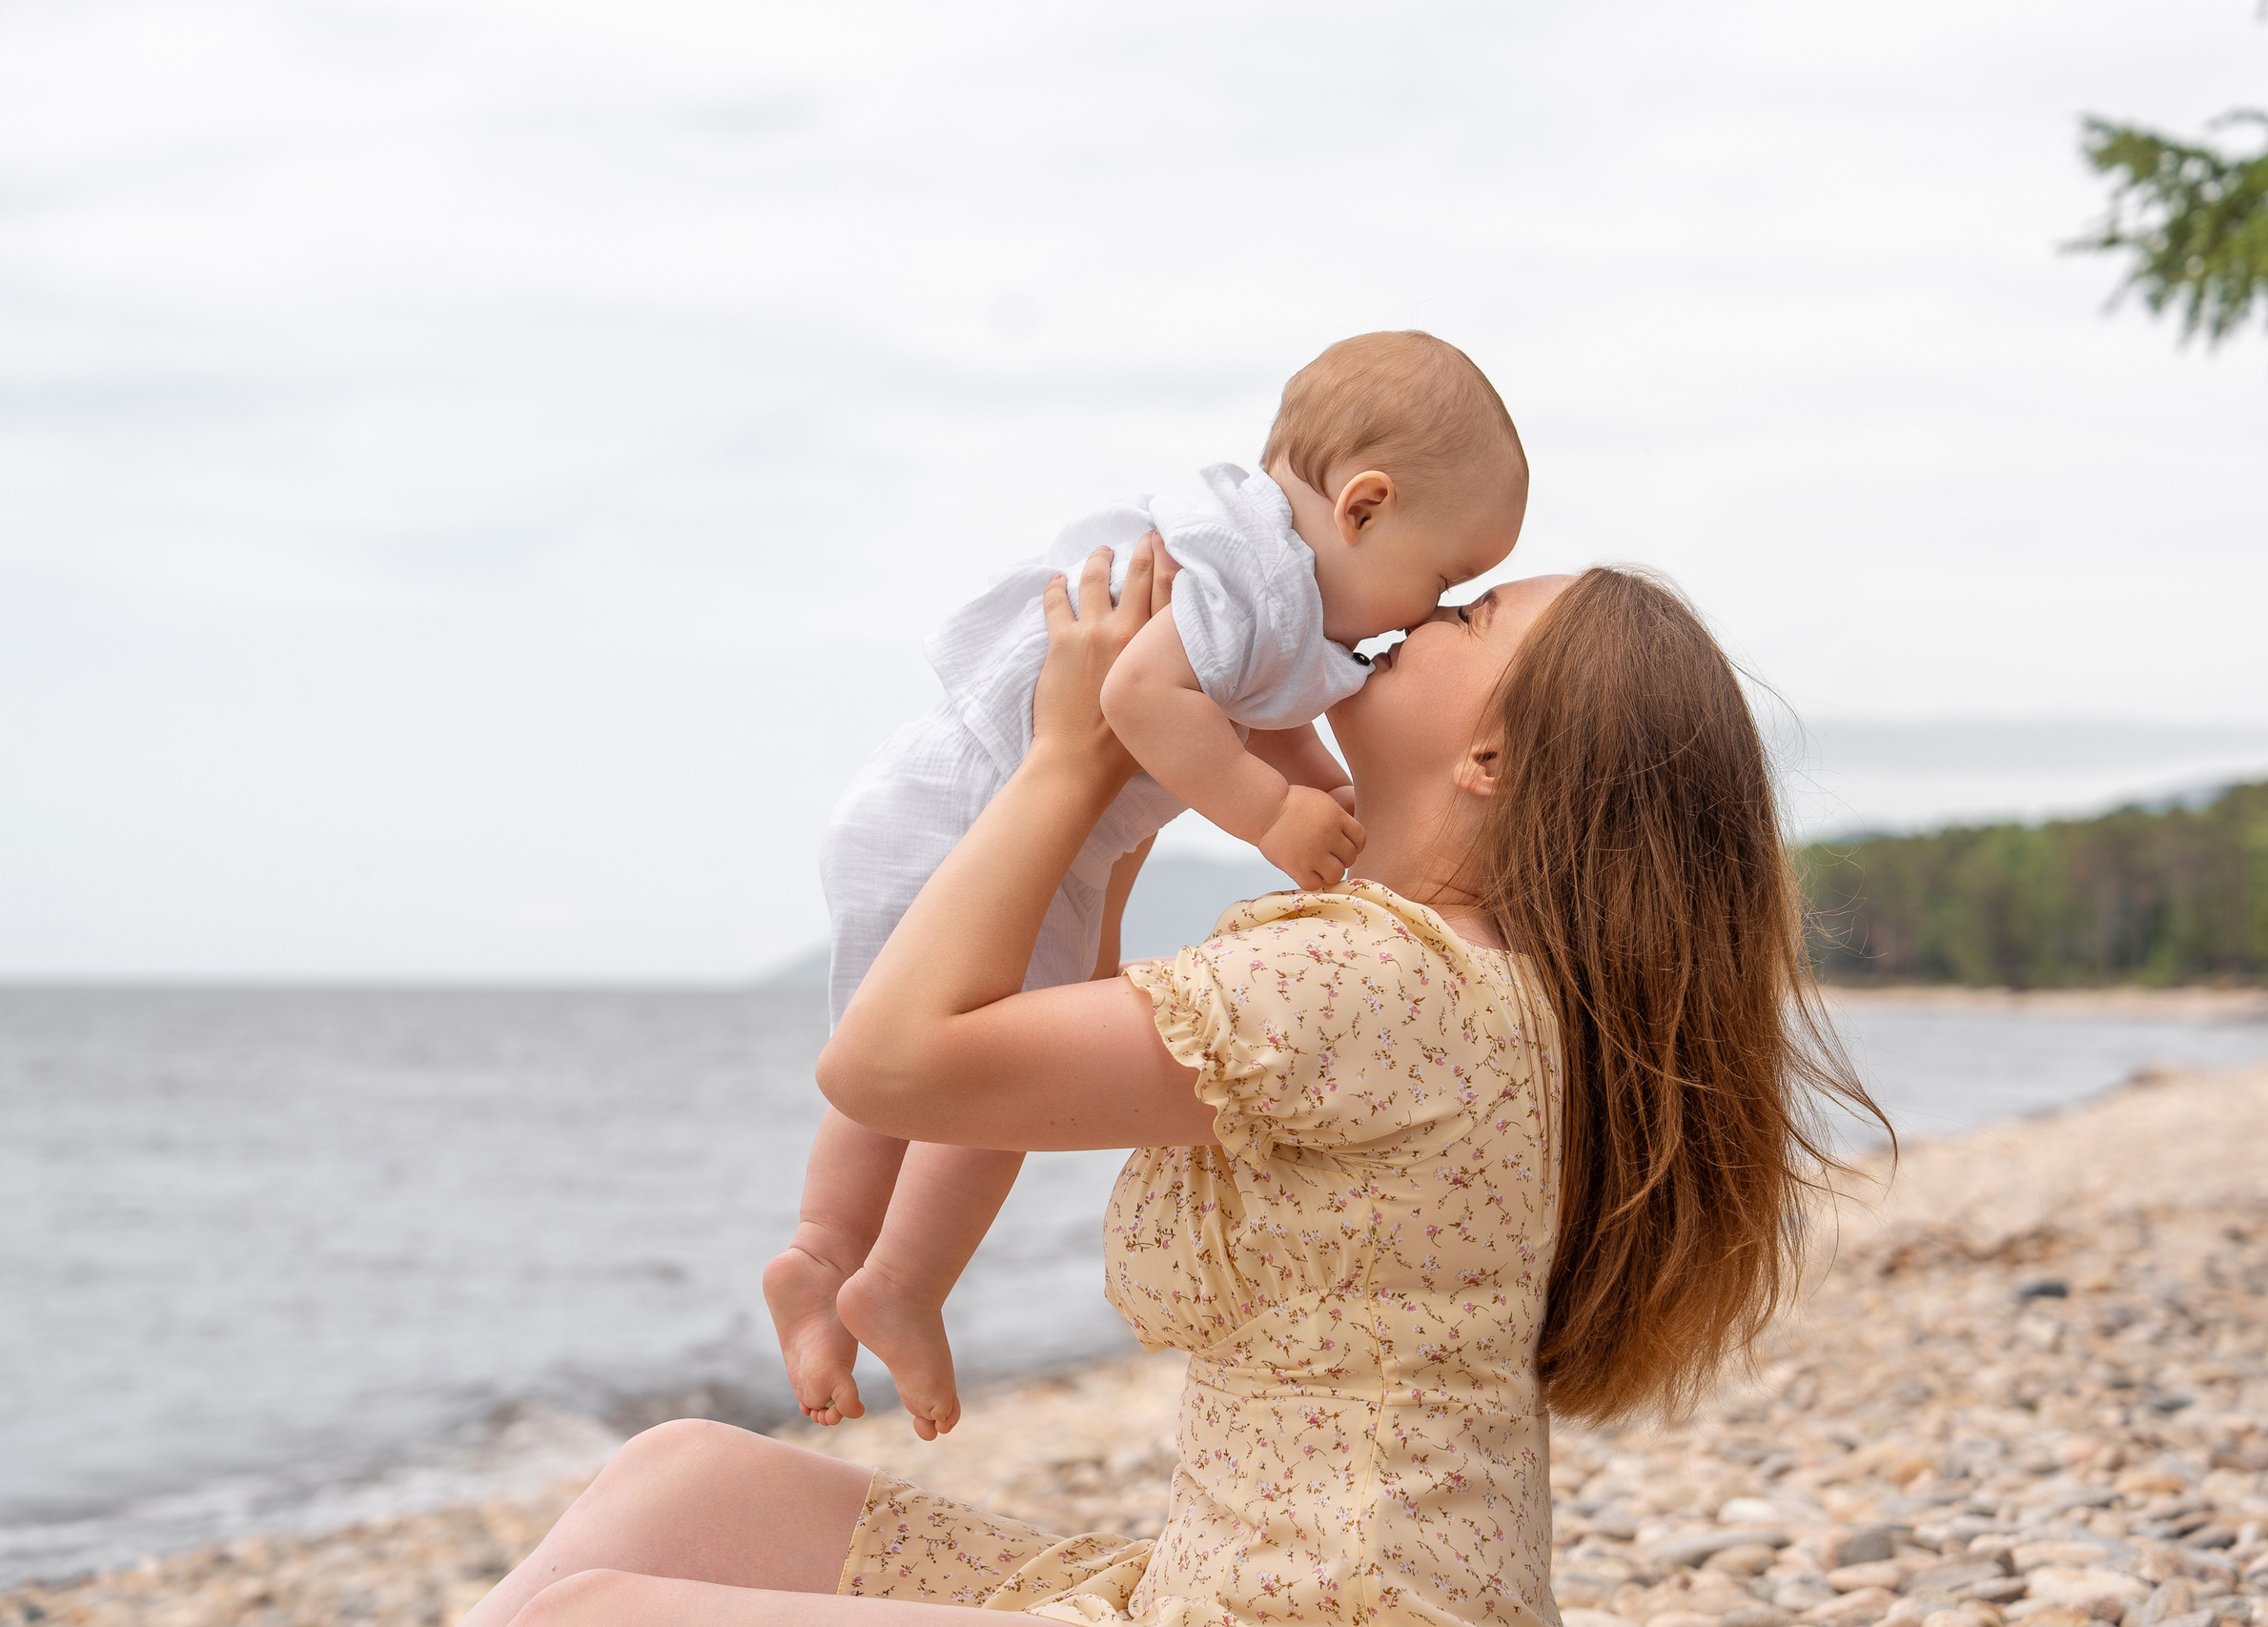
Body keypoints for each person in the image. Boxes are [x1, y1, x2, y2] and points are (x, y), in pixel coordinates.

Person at [463, 539, 1878, 1627]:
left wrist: (1069, 763)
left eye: (1464, 617)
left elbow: (891, 1061)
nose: (1412, 610)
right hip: (1251, 1588)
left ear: (1493, 754)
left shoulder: (1375, 980)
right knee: (679, 1474)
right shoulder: (1460, 985)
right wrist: (1126, 821)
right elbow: (1025, 1023)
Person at [771, 333, 1530, 1439]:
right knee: (961, 1078)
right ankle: (883, 1275)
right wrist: (1274, 815)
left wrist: (1317, 795)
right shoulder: (1255, 583)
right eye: (1447, 584)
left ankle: (831, 1261)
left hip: (973, 814)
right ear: (1362, 507)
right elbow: (1137, 694)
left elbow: (1252, 720)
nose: (1420, 617)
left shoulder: (1267, 583)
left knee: (933, 1061)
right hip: (969, 815)